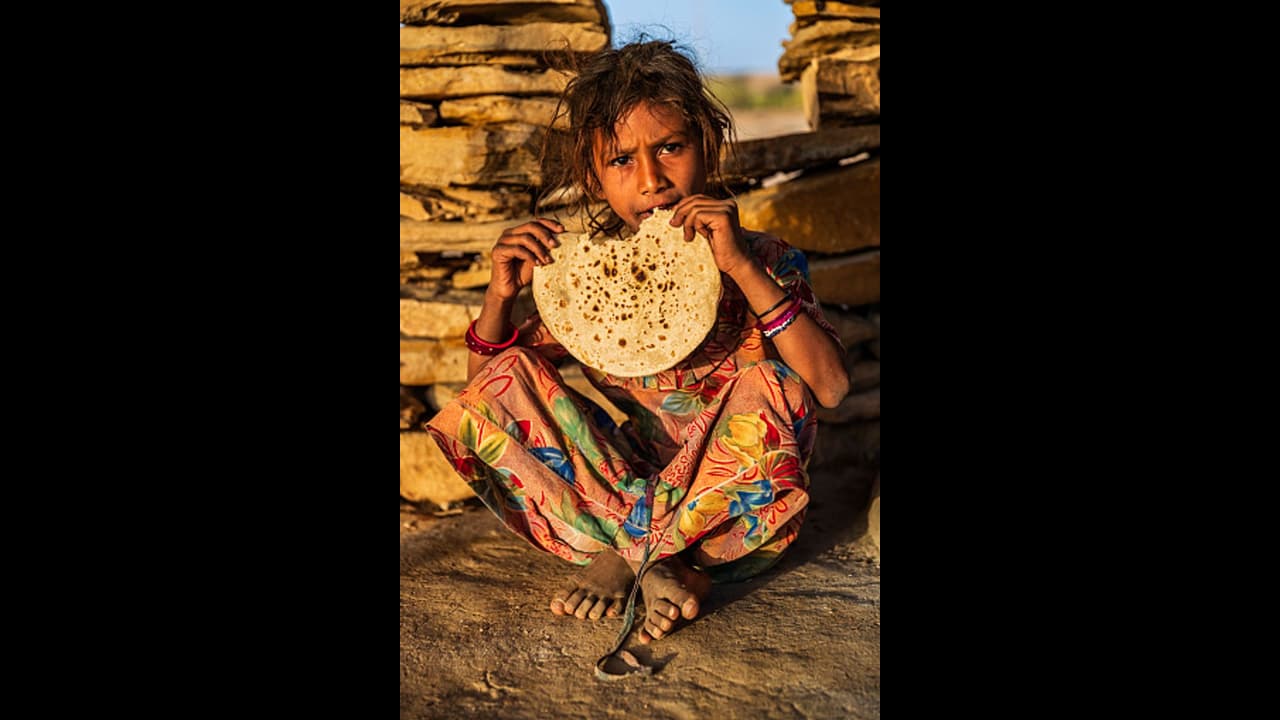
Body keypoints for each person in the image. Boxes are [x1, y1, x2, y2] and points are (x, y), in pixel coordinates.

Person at [426, 40, 849, 646]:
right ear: (594, 178)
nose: (652, 180)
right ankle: (664, 556)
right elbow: (492, 393)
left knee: (773, 384)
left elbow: (830, 387)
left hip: (733, 508)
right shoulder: (585, 278)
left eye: (670, 148)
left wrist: (743, 269)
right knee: (505, 371)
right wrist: (501, 299)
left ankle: (634, 551)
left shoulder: (764, 260)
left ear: (705, 143)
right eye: (622, 160)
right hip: (636, 476)